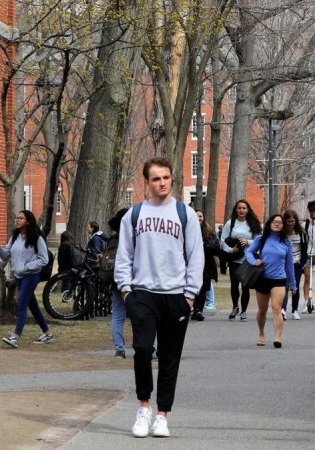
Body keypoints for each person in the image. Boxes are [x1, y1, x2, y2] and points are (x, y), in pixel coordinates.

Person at [114, 157, 204, 438]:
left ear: (172, 179)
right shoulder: (134, 215)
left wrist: (190, 295)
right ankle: (143, 408)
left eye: (165, 177)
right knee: (142, 349)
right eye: (156, 178)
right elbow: (124, 254)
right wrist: (126, 290)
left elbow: (195, 255)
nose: (161, 183)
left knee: (169, 356)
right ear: (147, 182)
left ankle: (162, 414)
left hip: (176, 296)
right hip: (142, 294)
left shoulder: (184, 214)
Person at [0, 210, 54, 348]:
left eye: (21, 218)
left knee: (21, 303)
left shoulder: (37, 238)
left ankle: (15, 337)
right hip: (18, 276)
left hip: (31, 275)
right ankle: (47, 333)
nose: (17, 220)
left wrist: (26, 267)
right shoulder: (14, 237)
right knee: (33, 306)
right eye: (16, 218)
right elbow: (5, 256)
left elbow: (44, 259)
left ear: (28, 221)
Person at [246, 214, 297, 348]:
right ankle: (261, 334)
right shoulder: (261, 239)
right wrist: (254, 261)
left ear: (283, 225)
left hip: (279, 279)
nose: (277, 224)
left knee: (276, 308)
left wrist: (293, 284)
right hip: (262, 278)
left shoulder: (286, 243)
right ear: (269, 224)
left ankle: (278, 337)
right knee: (262, 310)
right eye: (274, 222)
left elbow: (289, 265)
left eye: (280, 222)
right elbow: (249, 252)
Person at [220, 199, 262, 322]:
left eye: (244, 208)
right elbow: (222, 240)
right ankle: (235, 307)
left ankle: (244, 311)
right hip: (234, 259)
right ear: (236, 210)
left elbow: (259, 240)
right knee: (234, 285)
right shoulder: (230, 223)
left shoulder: (253, 224)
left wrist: (247, 241)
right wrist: (231, 250)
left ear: (248, 210)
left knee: (245, 286)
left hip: (248, 259)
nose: (241, 210)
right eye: (239, 208)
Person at [105, 208, 129, 358]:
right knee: (141, 316)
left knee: (118, 316)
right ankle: (147, 347)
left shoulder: (113, 239)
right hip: (132, 282)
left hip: (114, 281)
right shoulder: (133, 237)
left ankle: (119, 349)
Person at [192, 209, 220, 320]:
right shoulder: (187, 229)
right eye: (196, 216)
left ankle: (199, 310)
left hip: (206, 264)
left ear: (203, 218)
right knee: (194, 287)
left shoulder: (209, 232)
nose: (198, 218)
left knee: (203, 287)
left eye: (200, 216)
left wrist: (205, 245)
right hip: (191, 263)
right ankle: (194, 308)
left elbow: (216, 247)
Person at [282, 209, 307, 320]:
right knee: (285, 287)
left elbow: (305, 249)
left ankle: (295, 310)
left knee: (295, 287)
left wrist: (302, 262)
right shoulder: (282, 234)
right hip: (284, 263)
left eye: (292, 221)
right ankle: (283, 309)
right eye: (288, 221)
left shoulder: (301, 233)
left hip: (297, 263)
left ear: (296, 221)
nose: (291, 224)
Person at [57, 230, 75, 297]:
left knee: (66, 283)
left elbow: (61, 259)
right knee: (69, 283)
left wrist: (60, 269)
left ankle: (67, 296)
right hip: (72, 268)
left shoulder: (63, 247)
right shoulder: (72, 246)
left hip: (65, 268)